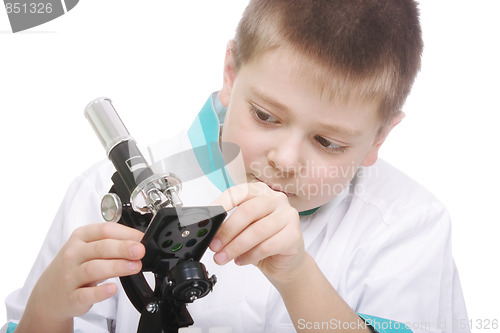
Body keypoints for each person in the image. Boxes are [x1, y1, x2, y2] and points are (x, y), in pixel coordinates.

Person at [2, 0, 469, 332]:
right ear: (230, 73)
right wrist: (48, 307)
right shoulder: (102, 196)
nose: (285, 160)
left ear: (381, 137)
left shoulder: (409, 226)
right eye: (265, 116)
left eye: (328, 142)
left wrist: (297, 276)